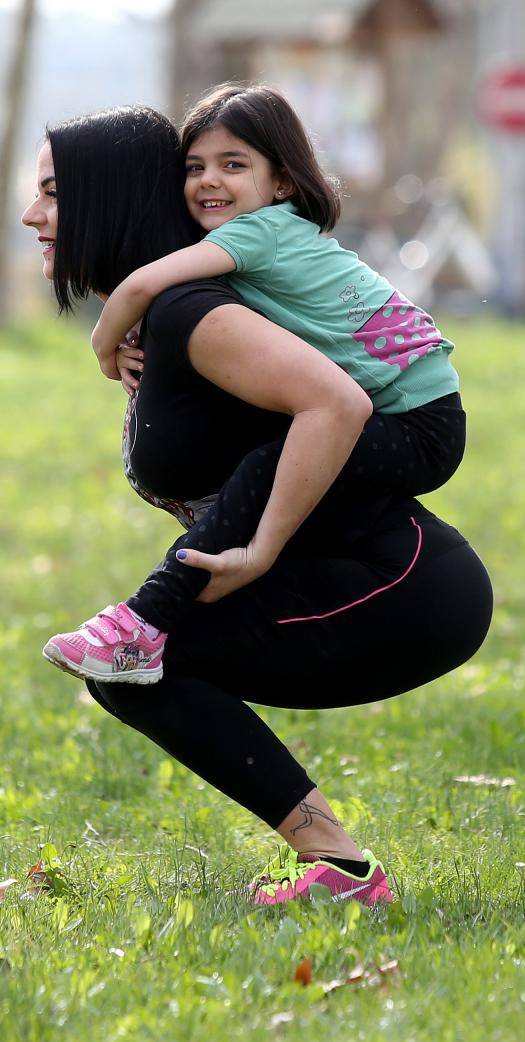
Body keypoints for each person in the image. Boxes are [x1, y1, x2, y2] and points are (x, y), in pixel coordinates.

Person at [20, 104, 492, 906]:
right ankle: (339, 868)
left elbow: (336, 405)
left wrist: (261, 548)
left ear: (109, 197)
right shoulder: (171, 316)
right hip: (348, 573)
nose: (33, 214)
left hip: (401, 585)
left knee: (138, 655)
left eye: (55, 193)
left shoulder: (192, 312)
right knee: (128, 667)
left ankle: (342, 870)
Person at [44, 84, 466, 685]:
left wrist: (103, 349)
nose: (208, 181)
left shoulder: (254, 234)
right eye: (195, 167)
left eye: (232, 165)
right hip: (426, 410)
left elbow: (140, 285)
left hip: (419, 423)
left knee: (270, 463)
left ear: (283, 183)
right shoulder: (274, 236)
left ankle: (152, 617)